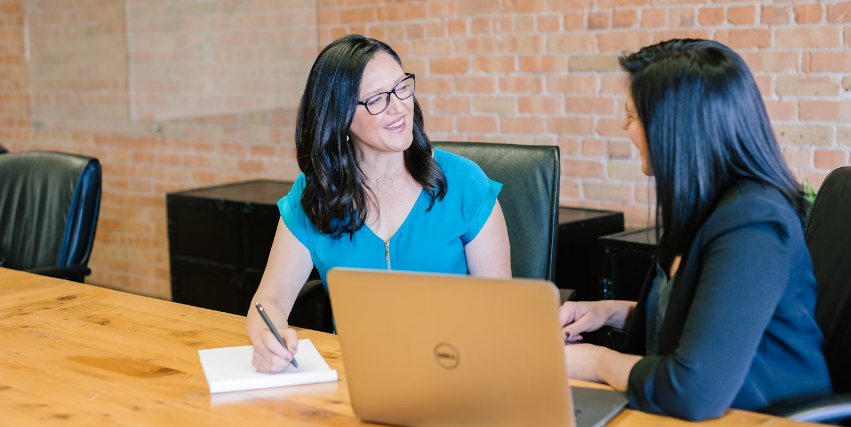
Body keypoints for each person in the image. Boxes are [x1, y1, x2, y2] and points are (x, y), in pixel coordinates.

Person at [559, 39, 833, 421]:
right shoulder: (701, 206)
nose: (623, 125)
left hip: (763, 416)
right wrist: (609, 312)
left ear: (675, 129)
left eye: (632, 115)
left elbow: (693, 389)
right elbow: (700, 318)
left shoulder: (754, 225)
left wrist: (596, 363)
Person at [247, 35, 511, 374]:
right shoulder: (313, 196)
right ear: (339, 118)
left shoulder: (464, 183)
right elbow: (268, 301)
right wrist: (267, 341)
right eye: (376, 99)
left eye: (402, 87)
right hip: (356, 378)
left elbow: (502, 312)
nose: (399, 106)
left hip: (456, 372)